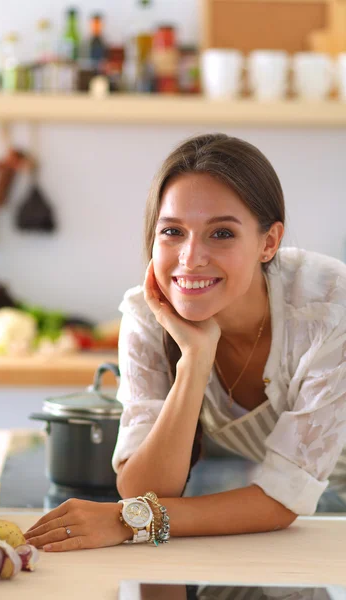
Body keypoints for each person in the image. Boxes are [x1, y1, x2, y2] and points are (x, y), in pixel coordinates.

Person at [25, 133, 346, 552]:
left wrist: (129, 523)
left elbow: (282, 500)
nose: (191, 257)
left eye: (222, 234)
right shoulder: (147, 314)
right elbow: (143, 487)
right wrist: (194, 360)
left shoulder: (328, 307)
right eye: (173, 231)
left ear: (268, 242)